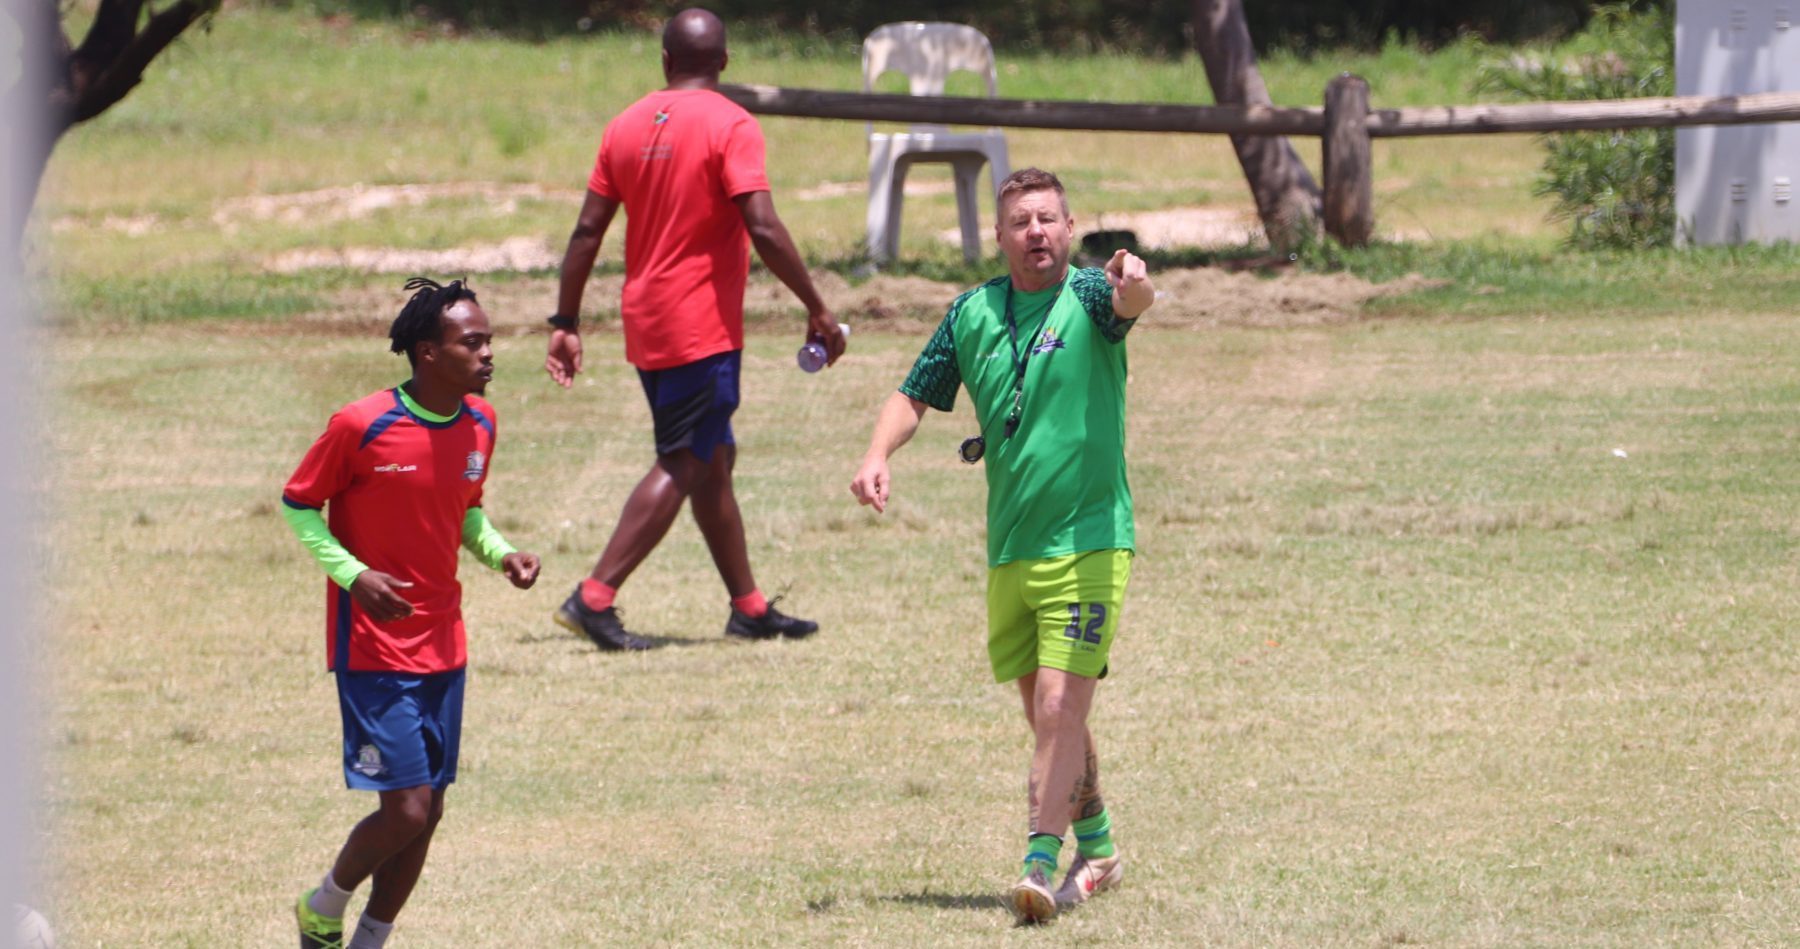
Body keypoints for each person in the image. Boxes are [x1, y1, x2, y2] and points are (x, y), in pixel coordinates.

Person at [850, 168, 1155, 924]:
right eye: (1022, 221)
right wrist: (877, 454)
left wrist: (1136, 281)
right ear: (1000, 234)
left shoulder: (1089, 295)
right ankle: (1103, 849)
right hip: (1013, 551)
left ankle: (1039, 866)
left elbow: (1131, 302)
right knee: (1052, 718)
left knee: (1059, 705)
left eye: (1049, 218)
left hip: (1090, 541)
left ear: (1070, 225)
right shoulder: (972, 313)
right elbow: (914, 393)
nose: (1037, 233)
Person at [544, 7, 844, 652]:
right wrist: (817, 305)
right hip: (698, 327)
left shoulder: (624, 125)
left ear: (664, 61)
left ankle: (749, 607)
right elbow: (762, 225)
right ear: (726, 63)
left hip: (646, 320)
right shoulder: (731, 124)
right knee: (683, 459)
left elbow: (587, 231)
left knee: (713, 458)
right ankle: (593, 597)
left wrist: (565, 321)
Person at [284, 278, 541, 949]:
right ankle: (323, 903)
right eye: (473, 341)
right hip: (373, 646)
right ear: (428, 352)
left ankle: (370, 938)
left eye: (489, 340)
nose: (489, 353)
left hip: (444, 644)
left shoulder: (481, 422)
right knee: (405, 808)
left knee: (429, 811)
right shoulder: (360, 424)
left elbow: (467, 510)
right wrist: (354, 574)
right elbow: (298, 503)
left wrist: (502, 553)